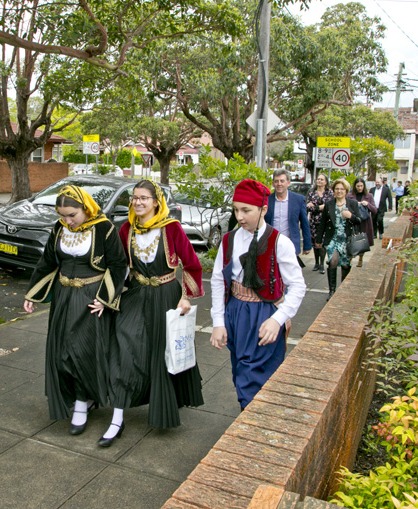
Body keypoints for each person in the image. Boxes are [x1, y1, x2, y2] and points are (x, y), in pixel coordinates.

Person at [23, 185, 127, 437]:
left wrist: (104, 299)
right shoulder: (59, 228)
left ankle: (82, 403)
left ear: (85, 208)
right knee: (61, 352)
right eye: (63, 215)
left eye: (72, 215)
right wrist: (32, 294)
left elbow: (118, 265)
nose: (67, 221)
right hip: (63, 298)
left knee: (82, 352)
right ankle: (79, 396)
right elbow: (48, 260)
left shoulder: (104, 228)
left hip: (91, 300)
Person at [107, 181, 204, 445]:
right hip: (136, 295)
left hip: (166, 296)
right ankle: (117, 415)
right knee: (123, 346)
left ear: (156, 201)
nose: (138, 202)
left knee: (163, 353)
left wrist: (186, 296)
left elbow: (192, 265)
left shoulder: (171, 228)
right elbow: (117, 267)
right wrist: (105, 296)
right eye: (134, 198)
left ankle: (164, 406)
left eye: (144, 198)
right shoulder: (126, 229)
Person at [210, 179, 306, 411]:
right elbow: (218, 280)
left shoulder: (279, 242)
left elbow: (298, 286)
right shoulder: (229, 239)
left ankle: (251, 424)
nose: (239, 216)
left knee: (254, 377)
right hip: (236, 311)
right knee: (240, 369)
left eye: (246, 210)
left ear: (263, 209)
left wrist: (277, 319)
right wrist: (218, 322)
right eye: (236, 209)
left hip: (264, 314)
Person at [318, 179, 362, 300]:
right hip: (332, 239)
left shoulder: (352, 203)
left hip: (347, 239)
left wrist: (351, 216)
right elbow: (322, 223)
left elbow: (359, 220)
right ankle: (332, 291)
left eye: (342, 189)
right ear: (333, 190)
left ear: (346, 191)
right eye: (337, 189)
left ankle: (343, 290)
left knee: (346, 265)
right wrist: (318, 240)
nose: (339, 191)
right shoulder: (329, 204)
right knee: (333, 261)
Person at [265, 168, 312, 266]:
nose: (279, 184)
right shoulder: (267, 200)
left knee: (289, 275)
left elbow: (304, 223)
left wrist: (307, 245)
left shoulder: (298, 200)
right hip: (271, 245)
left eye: (282, 181)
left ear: (288, 183)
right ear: (273, 184)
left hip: (290, 244)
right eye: (276, 181)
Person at [305, 173, 334, 275]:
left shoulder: (329, 193)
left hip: (325, 221)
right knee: (314, 243)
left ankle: (322, 263)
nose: (319, 181)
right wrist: (319, 207)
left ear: (326, 182)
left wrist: (316, 206)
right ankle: (316, 262)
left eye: (322, 179)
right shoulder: (311, 192)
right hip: (313, 221)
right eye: (318, 179)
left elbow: (329, 206)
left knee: (321, 243)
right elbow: (307, 207)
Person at [347, 177, 377, 268]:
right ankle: (350, 258)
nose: (360, 188)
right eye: (358, 186)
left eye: (361, 186)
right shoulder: (349, 196)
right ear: (355, 186)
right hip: (353, 221)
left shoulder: (369, 196)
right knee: (351, 239)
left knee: (363, 240)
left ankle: (360, 258)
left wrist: (367, 204)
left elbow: (375, 210)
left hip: (365, 222)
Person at [370, 176, 392, 241]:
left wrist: (390, 207)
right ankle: (374, 234)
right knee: (373, 221)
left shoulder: (386, 189)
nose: (377, 184)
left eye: (378, 182)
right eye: (376, 182)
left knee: (379, 220)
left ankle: (381, 233)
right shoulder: (372, 189)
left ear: (381, 183)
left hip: (381, 208)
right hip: (373, 208)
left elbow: (390, 198)